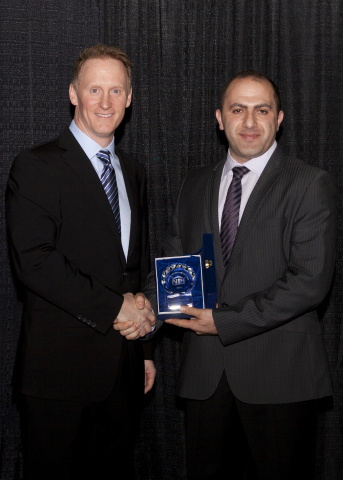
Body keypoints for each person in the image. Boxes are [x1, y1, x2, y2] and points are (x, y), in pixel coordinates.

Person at [139, 71, 336, 479]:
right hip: (205, 379)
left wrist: (223, 322)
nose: (249, 122)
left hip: (280, 377)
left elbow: (310, 281)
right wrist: (141, 311)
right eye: (238, 110)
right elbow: (176, 266)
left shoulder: (309, 182)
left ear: (279, 118)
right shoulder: (194, 185)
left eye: (261, 110)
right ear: (219, 118)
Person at [6, 44, 156, 480]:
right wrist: (116, 309)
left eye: (116, 90)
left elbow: (136, 263)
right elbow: (33, 262)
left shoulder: (134, 170)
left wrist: (144, 345)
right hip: (58, 376)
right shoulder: (36, 165)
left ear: (129, 98)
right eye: (94, 89)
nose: (105, 102)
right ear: (74, 93)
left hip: (124, 370)